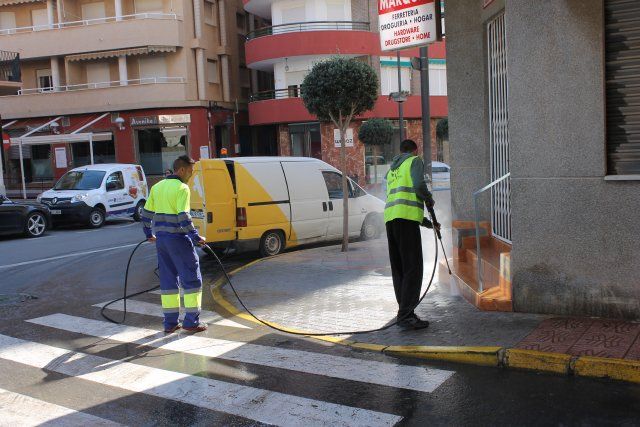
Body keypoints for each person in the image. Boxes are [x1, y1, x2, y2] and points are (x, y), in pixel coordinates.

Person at [141, 155, 207, 333]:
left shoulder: (157, 187)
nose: (191, 175)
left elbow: (146, 214)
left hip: (162, 242)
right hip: (179, 240)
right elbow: (183, 216)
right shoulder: (182, 188)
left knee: (168, 282)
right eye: (191, 171)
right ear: (182, 170)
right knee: (192, 280)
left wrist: (149, 234)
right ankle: (191, 322)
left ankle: (170, 323)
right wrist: (195, 237)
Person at [384, 139, 439, 331]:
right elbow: (418, 185)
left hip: (391, 220)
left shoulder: (392, 170)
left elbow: (400, 200)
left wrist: (426, 222)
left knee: (399, 269)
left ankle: (403, 312)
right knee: (413, 268)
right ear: (415, 151)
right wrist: (429, 199)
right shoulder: (414, 161)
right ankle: (407, 315)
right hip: (406, 222)